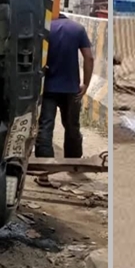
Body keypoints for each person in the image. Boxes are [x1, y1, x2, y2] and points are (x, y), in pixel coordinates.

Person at [35, 12, 94, 159]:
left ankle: (44, 170)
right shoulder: (78, 29)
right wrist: (85, 84)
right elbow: (89, 58)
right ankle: (74, 164)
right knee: (72, 126)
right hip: (72, 88)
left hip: (48, 88)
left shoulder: (46, 29)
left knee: (45, 127)